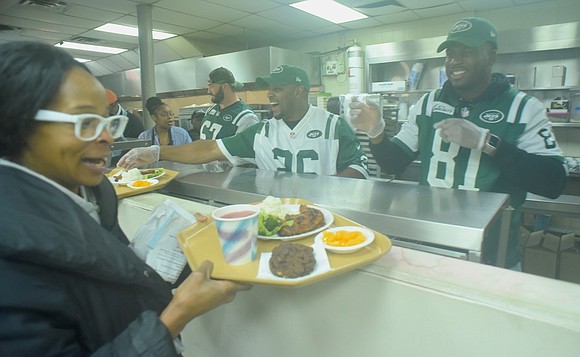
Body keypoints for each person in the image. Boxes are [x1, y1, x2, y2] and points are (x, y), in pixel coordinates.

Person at [0, 41, 250, 356]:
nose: (107, 137)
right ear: (18, 123)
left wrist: (179, 248)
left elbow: (105, 272)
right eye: (84, 122)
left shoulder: (94, 191)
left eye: (106, 121)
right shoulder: (11, 262)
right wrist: (175, 316)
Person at [349, 17, 567, 269]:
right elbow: (393, 162)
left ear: (491, 55)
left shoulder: (524, 108)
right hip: (430, 245)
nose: (455, 61)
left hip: (493, 253)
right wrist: (375, 131)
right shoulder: (428, 104)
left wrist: (487, 141)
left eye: (467, 52)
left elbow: (554, 182)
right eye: (450, 54)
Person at [118, 65, 369, 179]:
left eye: (278, 89)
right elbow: (210, 148)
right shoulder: (261, 132)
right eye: (270, 88)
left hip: (324, 218)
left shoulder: (333, 125)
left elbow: (358, 169)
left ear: (299, 91)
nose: (270, 94)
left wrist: (326, 192)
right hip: (277, 220)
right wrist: (157, 151)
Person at [201, 67, 259, 139]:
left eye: (211, 85)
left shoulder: (246, 118)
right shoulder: (210, 110)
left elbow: (246, 149)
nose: (208, 91)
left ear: (225, 87)